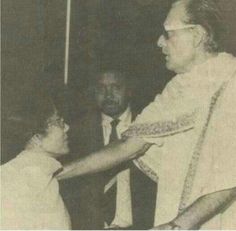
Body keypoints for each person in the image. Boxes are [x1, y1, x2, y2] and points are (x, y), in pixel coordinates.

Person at [58, 0, 236, 229]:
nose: (159, 42)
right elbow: (128, 145)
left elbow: (229, 178)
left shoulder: (230, 82)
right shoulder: (177, 88)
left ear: (198, 35)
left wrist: (177, 226)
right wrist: (56, 173)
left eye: (168, 33)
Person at [60, 70, 157, 229]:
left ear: (129, 90)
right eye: (101, 89)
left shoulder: (149, 126)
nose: (108, 95)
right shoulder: (75, 133)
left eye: (116, 87)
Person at [0, 94, 71, 230]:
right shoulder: (11, 181)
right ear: (37, 137)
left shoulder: (45, 175)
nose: (66, 127)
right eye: (58, 122)